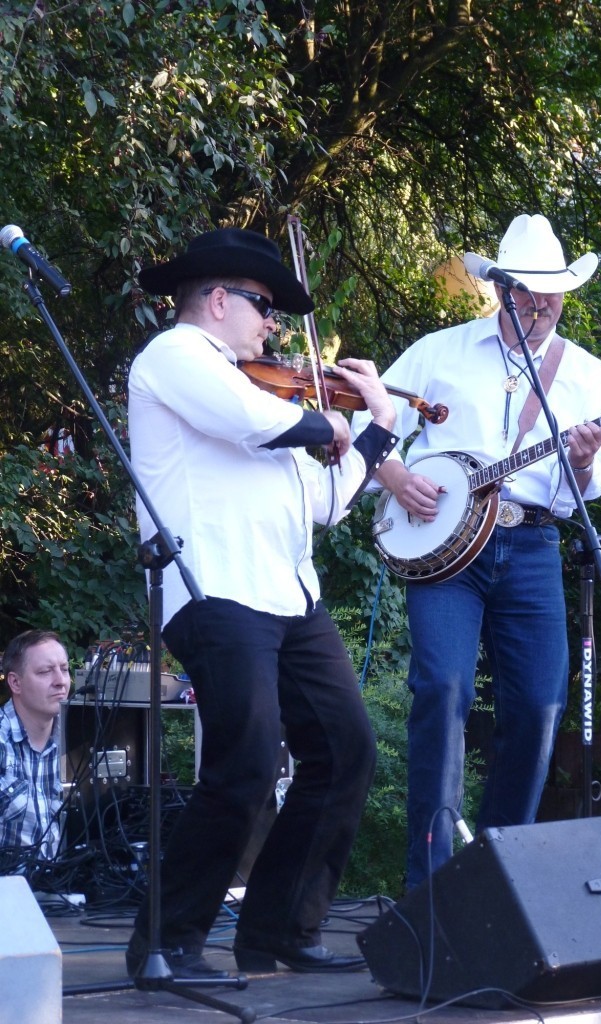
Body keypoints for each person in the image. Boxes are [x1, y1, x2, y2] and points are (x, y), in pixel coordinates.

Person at [125, 227, 397, 980]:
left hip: (286, 596)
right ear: (216, 300)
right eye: (262, 308)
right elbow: (249, 422)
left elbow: (327, 503)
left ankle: (280, 930)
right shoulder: (177, 357)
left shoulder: (258, 392)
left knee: (346, 751)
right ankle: (166, 940)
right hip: (214, 587)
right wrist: (328, 421)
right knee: (244, 766)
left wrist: (375, 430)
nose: (273, 327)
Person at [352, 213, 601, 889]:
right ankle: (432, 889)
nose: (541, 302)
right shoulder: (439, 353)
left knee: (538, 706)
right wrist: (393, 477)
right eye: (527, 288)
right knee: (442, 689)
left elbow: (587, 486)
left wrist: (582, 463)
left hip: (531, 544)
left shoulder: (587, 376)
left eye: (552, 290)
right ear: (500, 289)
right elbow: (366, 419)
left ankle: (497, 881)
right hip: (445, 551)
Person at [0, 630, 70, 862]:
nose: (60, 681)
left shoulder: (79, 741)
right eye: (45, 671)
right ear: (15, 683)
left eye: (65, 669)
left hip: (68, 888)